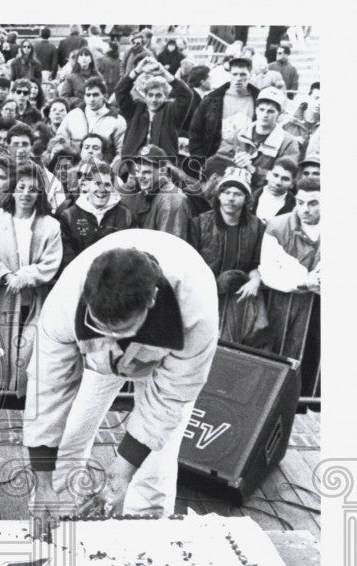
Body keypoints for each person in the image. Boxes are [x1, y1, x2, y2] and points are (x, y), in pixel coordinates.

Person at [25, 229, 217, 535]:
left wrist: (122, 470)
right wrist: (44, 482)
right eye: (103, 326)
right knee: (72, 430)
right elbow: (47, 390)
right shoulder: (64, 301)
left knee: (157, 459)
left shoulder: (198, 310)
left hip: (165, 358)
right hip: (100, 361)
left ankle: (146, 531)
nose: (113, 336)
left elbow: (170, 398)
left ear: (152, 299)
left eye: (121, 329)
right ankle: (52, 513)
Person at [0, 162, 63, 400]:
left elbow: (51, 261)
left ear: (40, 194)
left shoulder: (50, 225)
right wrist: (5, 274)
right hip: (2, 295)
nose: (25, 194)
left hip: (34, 297)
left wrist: (25, 277)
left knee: (30, 347)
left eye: (32, 189)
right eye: (21, 187)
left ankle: (24, 397)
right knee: (1, 344)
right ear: (12, 189)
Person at [188, 167, 268, 346]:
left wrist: (254, 281)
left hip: (236, 296)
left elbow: (256, 264)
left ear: (246, 198)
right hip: (206, 294)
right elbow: (191, 265)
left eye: (237, 194)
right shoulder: (200, 223)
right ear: (219, 196)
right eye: (226, 192)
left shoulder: (256, 227)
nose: (231, 198)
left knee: (232, 343)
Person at [259, 177, 320, 391]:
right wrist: (304, 281)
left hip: (318, 309)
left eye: (313, 203)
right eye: (300, 202)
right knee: (281, 355)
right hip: (285, 305)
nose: (305, 209)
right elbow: (268, 272)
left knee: (315, 361)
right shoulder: (278, 225)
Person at [57, 160, 137, 269]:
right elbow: (67, 259)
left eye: (107, 185)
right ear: (87, 185)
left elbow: (131, 254)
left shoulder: (125, 215)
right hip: (80, 277)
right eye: (97, 183)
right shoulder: (69, 215)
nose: (102, 190)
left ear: (113, 187)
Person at [115, 55, 194, 160]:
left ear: (166, 97)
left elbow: (186, 95)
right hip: (133, 164)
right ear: (145, 96)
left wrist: (165, 74)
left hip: (161, 166)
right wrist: (137, 71)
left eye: (158, 95)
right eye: (150, 95)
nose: (153, 100)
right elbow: (120, 91)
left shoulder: (171, 112)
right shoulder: (136, 109)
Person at [189, 56, 259, 172]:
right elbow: (195, 131)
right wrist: (200, 162)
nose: (238, 78)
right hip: (215, 161)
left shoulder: (259, 99)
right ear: (229, 74)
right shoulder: (212, 99)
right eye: (235, 74)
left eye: (243, 75)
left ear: (250, 75)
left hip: (246, 164)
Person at [231, 87, 300, 189]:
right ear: (256, 110)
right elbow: (221, 158)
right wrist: (234, 163)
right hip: (236, 187)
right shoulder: (240, 134)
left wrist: (253, 169)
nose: (264, 115)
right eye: (261, 109)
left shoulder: (288, 142)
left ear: (279, 114)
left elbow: (286, 178)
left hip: (266, 191)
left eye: (270, 111)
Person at [127, 144, 192, 239]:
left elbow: (169, 245)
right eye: (137, 171)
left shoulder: (171, 199)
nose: (140, 177)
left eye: (147, 172)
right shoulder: (147, 192)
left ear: (162, 171)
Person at [56, 78, 126, 153]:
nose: (91, 99)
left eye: (95, 95)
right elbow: (60, 143)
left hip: (104, 163)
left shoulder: (117, 120)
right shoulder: (72, 116)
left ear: (104, 96)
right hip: (75, 162)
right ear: (84, 97)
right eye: (88, 95)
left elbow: (121, 152)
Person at [251, 156, 298, 221]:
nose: (278, 182)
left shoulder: (295, 207)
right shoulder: (250, 197)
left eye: (285, 179)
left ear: (292, 184)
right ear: (268, 175)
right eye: (275, 175)